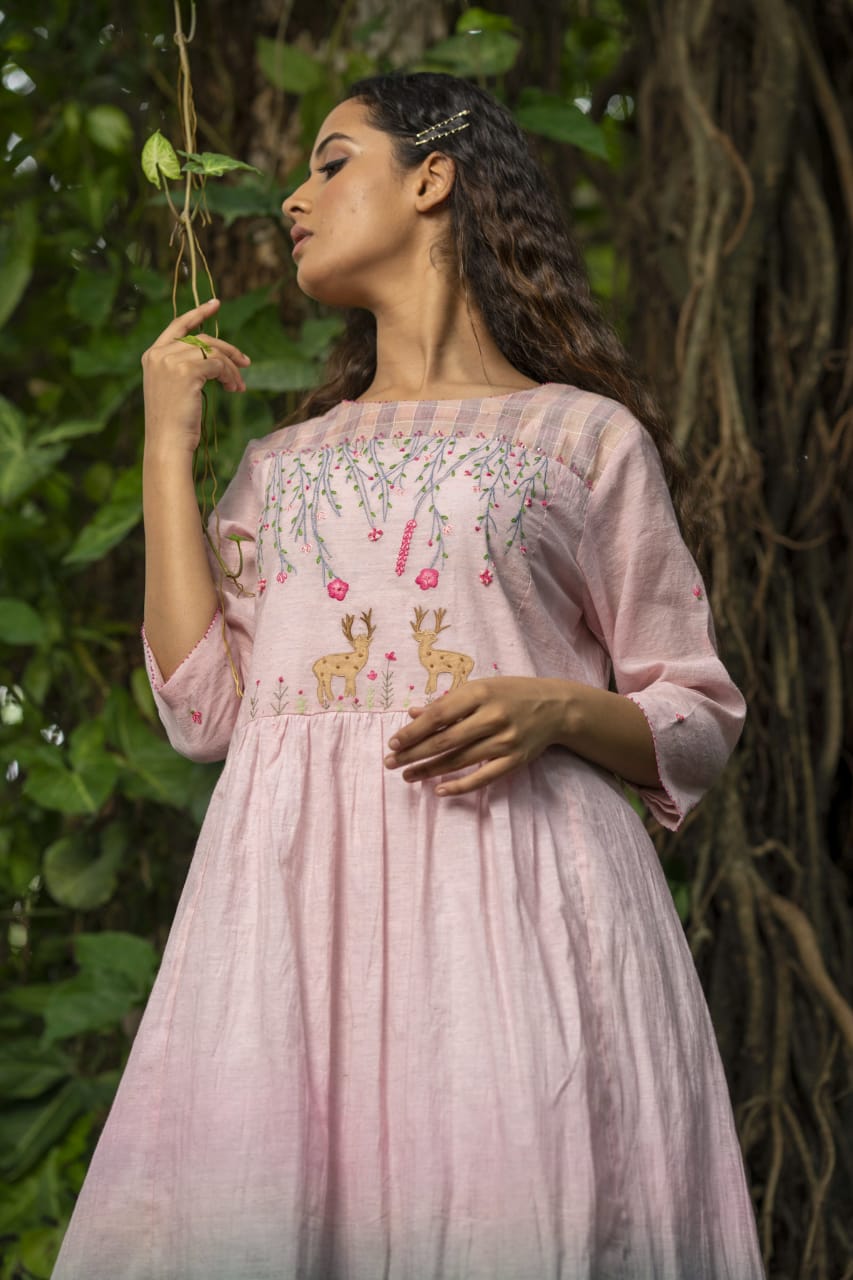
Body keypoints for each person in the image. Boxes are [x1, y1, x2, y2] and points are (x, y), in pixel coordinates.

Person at [52, 73, 766, 1279]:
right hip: (293, 922)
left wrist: (558, 707)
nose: (293, 197)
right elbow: (202, 710)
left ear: (432, 177)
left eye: (330, 162)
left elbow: (695, 712)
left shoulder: (581, 436)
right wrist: (166, 445)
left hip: (522, 906)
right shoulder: (280, 466)